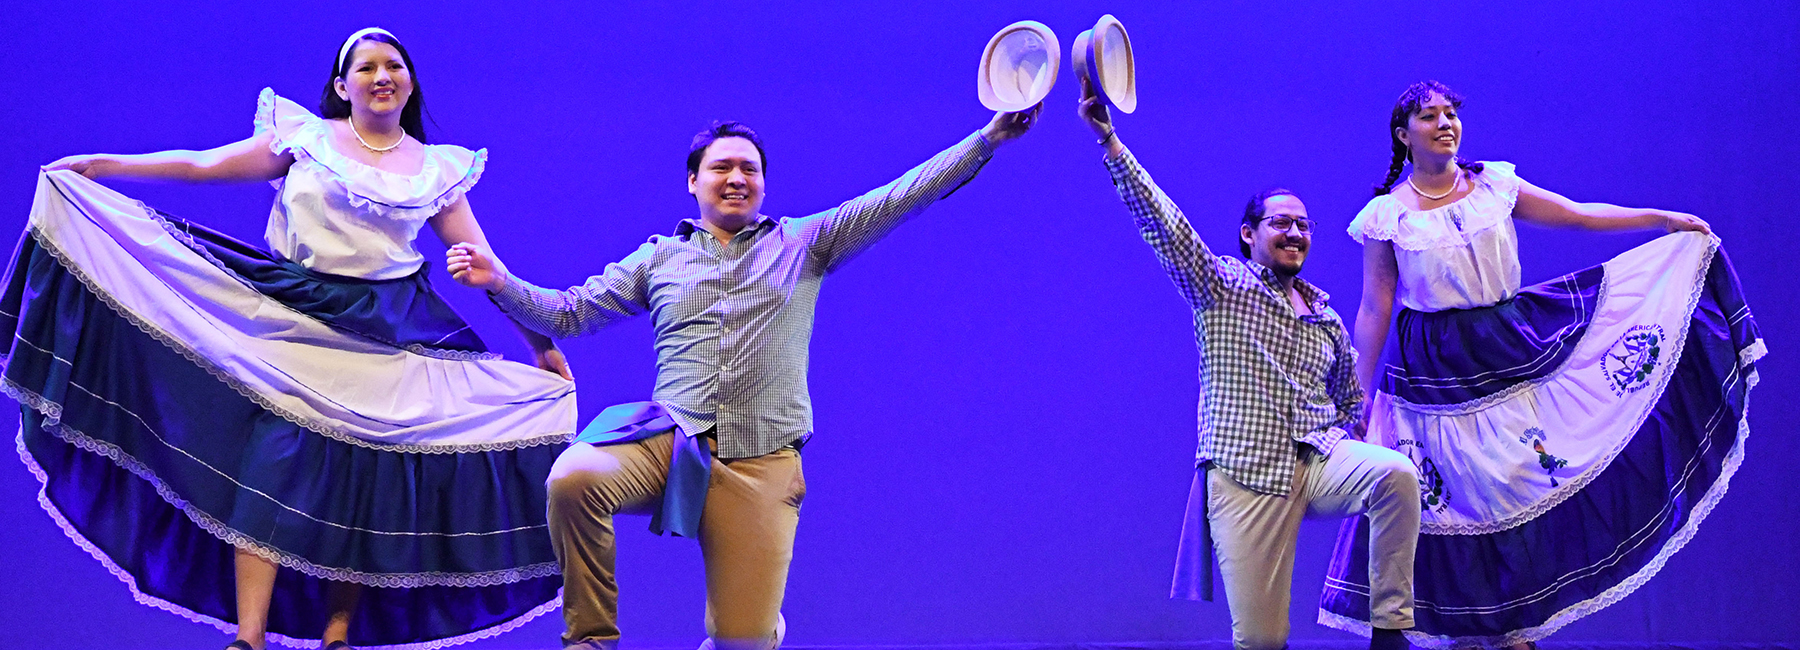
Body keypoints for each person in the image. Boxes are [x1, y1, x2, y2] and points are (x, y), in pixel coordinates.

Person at [13, 28, 576, 650]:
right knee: (273, 467)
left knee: (371, 470)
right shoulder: (306, 139)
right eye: (366, 68)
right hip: (296, 315)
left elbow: (488, 265)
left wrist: (541, 345)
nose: (382, 75)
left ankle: (338, 634)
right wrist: (104, 166)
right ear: (343, 86)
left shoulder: (436, 169)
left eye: (394, 65)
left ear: (410, 83)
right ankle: (247, 639)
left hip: (390, 329)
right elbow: (205, 165)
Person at [443, 101, 1039, 648]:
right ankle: (591, 641)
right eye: (722, 167)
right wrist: (499, 280)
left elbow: (900, 196)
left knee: (741, 641)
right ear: (693, 181)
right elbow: (570, 313)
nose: (736, 178)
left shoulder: (805, 242)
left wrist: (988, 139)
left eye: (749, 169)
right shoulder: (658, 258)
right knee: (573, 480)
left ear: (763, 183)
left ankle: (758, 627)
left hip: (759, 461)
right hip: (669, 441)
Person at [1317, 81, 1764, 649]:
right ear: (1404, 136)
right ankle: (1471, 632)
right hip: (1435, 368)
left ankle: (1517, 629)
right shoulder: (1386, 217)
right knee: (1455, 497)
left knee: (1523, 479)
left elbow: (1576, 215)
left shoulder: (1494, 185)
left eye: (1451, 113)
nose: (1445, 123)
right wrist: (1358, 393)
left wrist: (1662, 218)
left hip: (1508, 344)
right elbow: (1376, 304)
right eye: (1429, 117)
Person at [1074, 82, 1420, 650]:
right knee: (1262, 640)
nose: (1294, 232)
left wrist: (1361, 428)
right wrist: (1109, 139)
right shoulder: (1222, 287)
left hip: (1318, 459)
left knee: (1395, 476)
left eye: (1303, 225)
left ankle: (1389, 633)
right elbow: (1165, 225)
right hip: (1247, 474)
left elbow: (1350, 399)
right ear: (1249, 235)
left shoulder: (1324, 315)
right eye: (1280, 223)